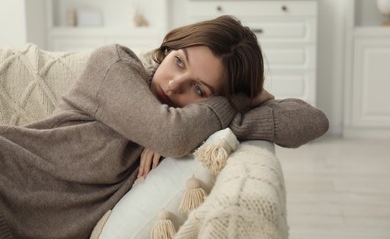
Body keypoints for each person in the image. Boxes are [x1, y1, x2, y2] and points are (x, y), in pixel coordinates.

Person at [0, 15, 328, 238]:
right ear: (169, 48)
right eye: (178, 62)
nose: (173, 86)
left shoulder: (189, 123)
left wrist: (225, 106)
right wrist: (227, 103)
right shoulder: (114, 65)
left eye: (198, 89)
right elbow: (169, 134)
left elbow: (313, 121)